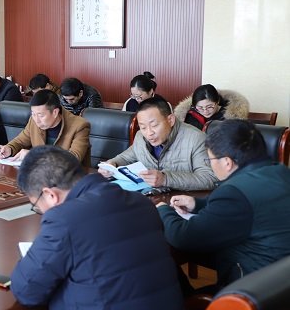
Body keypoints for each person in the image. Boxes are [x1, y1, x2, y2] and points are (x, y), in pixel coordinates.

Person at [11, 146, 197, 310]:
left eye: (37, 206)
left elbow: (27, 290)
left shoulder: (64, 219)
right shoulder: (141, 203)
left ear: (50, 195)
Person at [157, 120, 290, 291]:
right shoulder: (282, 172)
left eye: (210, 159)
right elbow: (251, 205)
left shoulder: (233, 193)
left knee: (164, 264)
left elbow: (183, 237)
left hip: (253, 292)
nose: (210, 164)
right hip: (280, 282)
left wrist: (163, 210)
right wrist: (197, 204)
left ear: (227, 162)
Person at [99, 97, 217, 190]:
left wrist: (165, 179)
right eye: (143, 127)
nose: (149, 133)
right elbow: (126, 157)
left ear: (170, 120)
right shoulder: (141, 137)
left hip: (184, 203)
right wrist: (112, 164)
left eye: (154, 125)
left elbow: (210, 178)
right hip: (151, 198)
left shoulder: (196, 139)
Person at [0, 90, 91, 166]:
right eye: (33, 114)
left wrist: (35, 155)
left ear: (55, 112)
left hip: (71, 178)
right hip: (41, 175)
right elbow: (20, 142)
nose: (37, 120)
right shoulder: (33, 121)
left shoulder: (79, 126)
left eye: (40, 115)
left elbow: (74, 158)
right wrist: (9, 149)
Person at [174, 84, 249, 132]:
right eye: (200, 108)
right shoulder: (190, 115)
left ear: (218, 101)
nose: (205, 111)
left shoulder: (227, 116)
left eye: (209, 107)